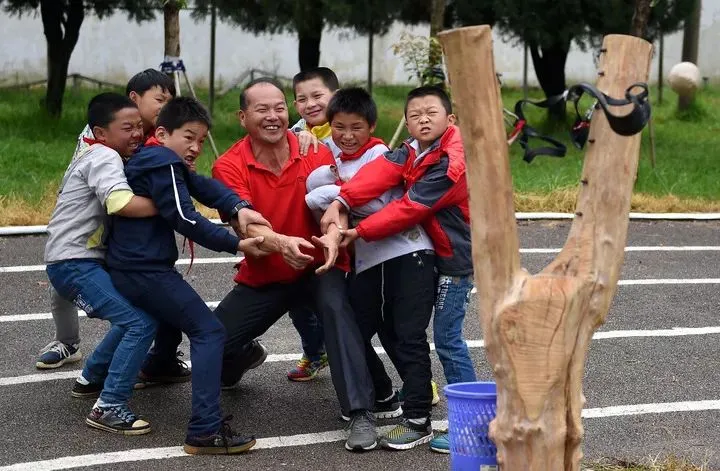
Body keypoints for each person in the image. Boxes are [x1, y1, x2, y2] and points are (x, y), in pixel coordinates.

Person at [210, 77, 378, 452]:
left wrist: (334, 235)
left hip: (319, 267)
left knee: (337, 310)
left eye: (279, 108)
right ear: (242, 117)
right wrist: (281, 243)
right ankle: (244, 356)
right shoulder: (228, 165)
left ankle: (361, 413)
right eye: (262, 109)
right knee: (213, 345)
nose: (273, 116)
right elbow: (247, 223)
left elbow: (339, 204)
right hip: (266, 274)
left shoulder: (315, 150)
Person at [104, 96, 267, 454]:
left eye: (200, 140)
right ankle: (205, 430)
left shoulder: (160, 159)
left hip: (137, 266)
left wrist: (238, 207)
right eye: (188, 137)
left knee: (167, 318)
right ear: (161, 134)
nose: (195, 147)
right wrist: (236, 245)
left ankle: (158, 365)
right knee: (209, 331)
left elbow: (201, 185)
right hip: (142, 270)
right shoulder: (161, 160)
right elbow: (185, 216)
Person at [320, 85, 476, 453]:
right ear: (405, 121)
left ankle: (468, 426)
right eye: (415, 114)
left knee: (447, 340)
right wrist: (342, 199)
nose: (423, 119)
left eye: (431, 113)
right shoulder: (411, 149)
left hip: (456, 261)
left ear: (450, 119)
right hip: (436, 254)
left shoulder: (451, 161)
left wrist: (356, 231)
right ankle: (421, 416)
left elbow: (411, 208)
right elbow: (378, 175)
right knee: (409, 332)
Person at [305, 87, 437, 450]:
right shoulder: (329, 152)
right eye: (339, 127)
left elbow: (374, 200)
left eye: (356, 128)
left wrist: (328, 193)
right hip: (368, 263)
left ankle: (418, 416)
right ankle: (382, 394)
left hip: (406, 253)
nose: (347, 136)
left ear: (373, 126)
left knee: (406, 335)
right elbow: (317, 186)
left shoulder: (382, 154)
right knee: (355, 331)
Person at [36, 69, 176, 370]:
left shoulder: (155, 135)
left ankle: (155, 358)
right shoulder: (104, 139)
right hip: (93, 220)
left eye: (170, 101)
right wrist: (168, 206)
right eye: (160, 100)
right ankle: (75, 350)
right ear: (134, 98)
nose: (165, 108)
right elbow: (115, 196)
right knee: (68, 278)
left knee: (142, 299)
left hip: (112, 231)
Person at [44, 93, 159, 434]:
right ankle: (109, 406)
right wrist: (170, 205)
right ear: (101, 132)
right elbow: (121, 202)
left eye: (140, 126)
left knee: (136, 318)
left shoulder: (95, 152)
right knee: (139, 323)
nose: (137, 133)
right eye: (128, 128)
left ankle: (91, 377)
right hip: (75, 263)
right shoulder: (105, 156)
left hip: (73, 259)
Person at [281, 66, 341, 382]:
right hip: (299, 232)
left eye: (318, 96)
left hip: (341, 236)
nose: (310, 104)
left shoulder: (347, 131)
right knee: (298, 300)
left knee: (344, 308)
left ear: (335, 96)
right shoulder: (289, 134)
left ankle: (411, 379)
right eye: (301, 99)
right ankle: (315, 353)